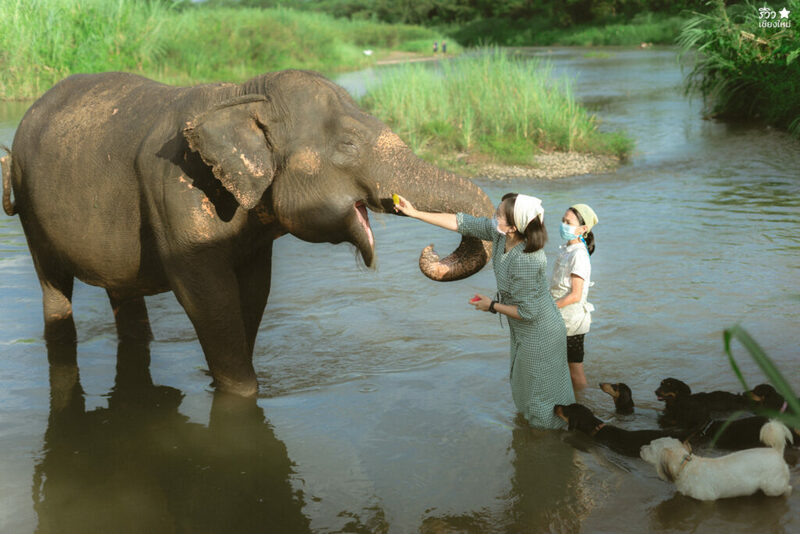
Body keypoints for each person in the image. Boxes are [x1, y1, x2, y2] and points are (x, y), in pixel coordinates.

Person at [394, 193, 575, 429]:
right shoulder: (499, 237)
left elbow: (528, 312)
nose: (493, 216)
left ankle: (551, 449)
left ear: (513, 226)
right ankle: (535, 441)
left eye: (498, 214)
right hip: (524, 330)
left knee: (541, 400)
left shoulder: (528, 259)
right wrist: (415, 213)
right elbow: (461, 222)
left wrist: (491, 305)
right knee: (525, 390)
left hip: (541, 333)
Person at [550, 204, 598, 390]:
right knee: (560, 365)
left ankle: (582, 404)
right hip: (558, 317)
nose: (563, 225)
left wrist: (548, 308)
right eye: (563, 221)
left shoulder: (579, 255)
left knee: (575, 370)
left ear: (583, 229)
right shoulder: (566, 250)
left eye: (568, 222)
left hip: (572, 323)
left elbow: (575, 295)